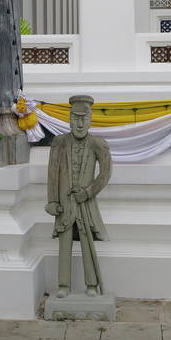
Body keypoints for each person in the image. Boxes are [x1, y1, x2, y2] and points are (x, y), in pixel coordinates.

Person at [45, 95, 112, 297]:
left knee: (86, 239)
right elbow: (53, 172)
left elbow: (105, 172)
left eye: (84, 118)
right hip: (65, 204)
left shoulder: (98, 144)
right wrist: (53, 200)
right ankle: (63, 285)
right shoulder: (60, 142)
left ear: (90, 120)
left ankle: (91, 284)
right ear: (69, 118)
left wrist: (88, 192)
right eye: (75, 118)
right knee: (64, 241)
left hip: (85, 204)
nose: (79, 123)